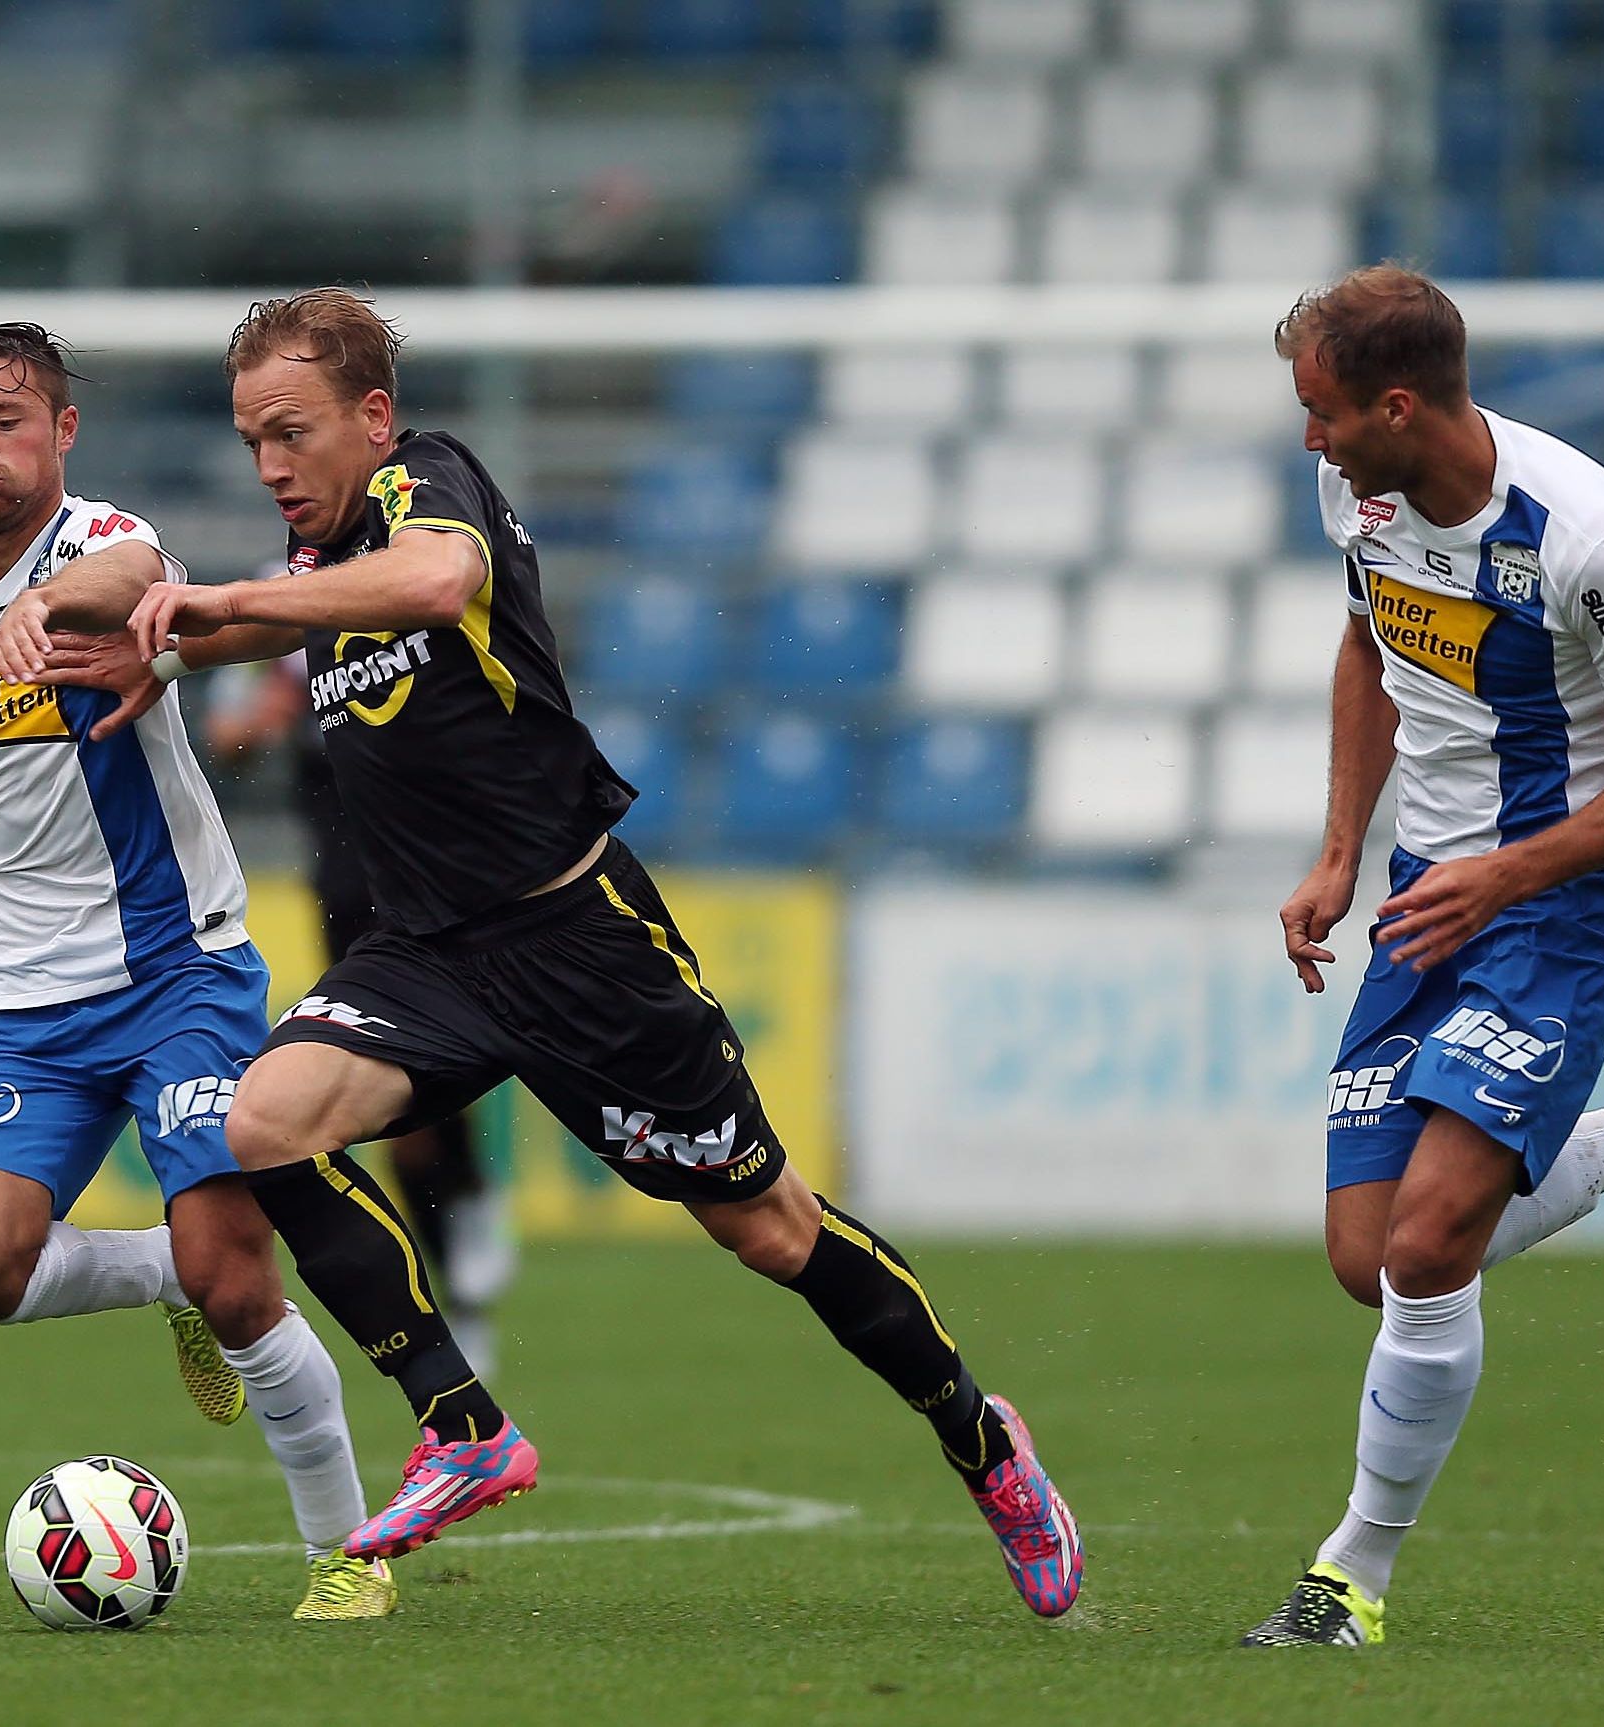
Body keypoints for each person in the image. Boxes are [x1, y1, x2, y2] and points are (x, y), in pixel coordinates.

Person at [116, 288, 1083, 1618]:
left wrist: (212, 596)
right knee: (265, 1119)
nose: (270, 465)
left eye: (290, 432)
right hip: (429, 960)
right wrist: (99, 629)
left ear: (373, 418)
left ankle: (985, 1442)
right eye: (249, 443)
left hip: (580, 945)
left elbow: (438, 579)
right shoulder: (312, 575)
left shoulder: (428, 487)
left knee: (768, 1227)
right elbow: (241, 627)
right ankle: (462, 1423)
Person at [1250, 265, 1604, 1649]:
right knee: (1362, 1253)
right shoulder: (1361, 497)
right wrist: (1338, 850)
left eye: (1321, 412)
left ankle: (1350, 1577)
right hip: (1420, 895)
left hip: (1562, 904)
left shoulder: (1593, 541)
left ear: (1396, 404)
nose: (1307, 441)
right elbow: (1361, 644)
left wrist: (1499, 876)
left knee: (1430, 1239)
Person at [0, 323, 395, 1622]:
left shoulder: (103, 547)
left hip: (178, 967)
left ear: (60, 434)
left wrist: (44, 604)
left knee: (240, 1267)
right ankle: (159, 1275)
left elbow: (141, 569)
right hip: (24, 1007)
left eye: (6, 421)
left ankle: (348, 1551)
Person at [204, 643, 516, 1375]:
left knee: (479, 1045)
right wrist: (263, 719)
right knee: (402, 1113)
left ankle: (471, 1200)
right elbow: (226, 738)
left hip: (440, 864)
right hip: (348, 887)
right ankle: (459, 1291)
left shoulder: (398, 569)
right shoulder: (269, 604)